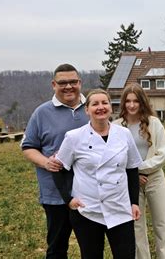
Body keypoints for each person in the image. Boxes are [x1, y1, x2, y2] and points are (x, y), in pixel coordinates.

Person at [54, 89, 142, 258]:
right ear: (87, 110)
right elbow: (59, 169)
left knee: (126, 255)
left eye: (104, 103)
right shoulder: (74, 137)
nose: (100, 107)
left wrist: (134, 202)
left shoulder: (124, 134)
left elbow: (131, 169)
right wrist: (68, 199)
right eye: (95, 104)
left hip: (120, 207)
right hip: (88, 210)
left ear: (111, 107)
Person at [21, 63, 88, 259]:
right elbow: (28, 147)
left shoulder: (92, 108)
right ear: (53, 84)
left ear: (80, 83)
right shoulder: (42, 113)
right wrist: (45, 163)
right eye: (63, 83)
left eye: (73, 82)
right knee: (57, 247)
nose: (69, 87)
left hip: (88, 192)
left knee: (91, 247)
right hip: (55, 193)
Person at [113, 83, 165, 259]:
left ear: (142, 102)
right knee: (136, 227)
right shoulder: (117, 126)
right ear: (123, 103)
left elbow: (162, 155)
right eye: (128, 101)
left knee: (163, 223)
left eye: (136, 101)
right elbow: (115, 158)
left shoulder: (154, 123)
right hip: (130, 182)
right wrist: (133, 175)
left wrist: (138, 169)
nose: (132, 105)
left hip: (154, 178)